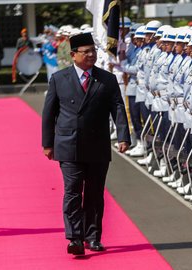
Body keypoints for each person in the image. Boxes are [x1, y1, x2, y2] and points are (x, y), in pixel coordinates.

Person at [41, 32, 131, 256]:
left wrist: (123, 136)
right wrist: (47, 143)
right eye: (86, 52)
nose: (91, 55)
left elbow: (118, 107)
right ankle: (75, 238)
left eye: (93, 51)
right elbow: (49, 113)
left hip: (97, 144)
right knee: (72, 192)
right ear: (73, 55)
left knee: (94, 193)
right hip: (68, 144)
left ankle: (93, 236)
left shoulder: (106, 79)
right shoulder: (59, 78)